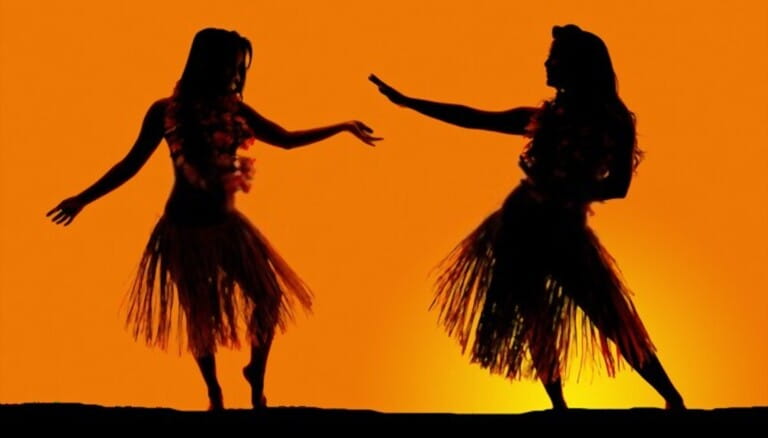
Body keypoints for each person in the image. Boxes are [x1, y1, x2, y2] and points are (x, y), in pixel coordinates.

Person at [47, 27, 382, 410]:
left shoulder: (234, 111)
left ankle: (256, 374)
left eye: (240, 69)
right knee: (199, 312)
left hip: (228, 228)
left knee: (267, 297)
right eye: (232, 67)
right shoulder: (165, 111)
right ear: (208, 65)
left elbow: (285, 138)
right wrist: (83, 199)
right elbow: (130, 164)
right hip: (182, 230)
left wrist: (340, 127)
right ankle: (214, 393)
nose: (236, 76)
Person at [369, 24, 684, 410]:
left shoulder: (613, 122)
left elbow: (619, 186)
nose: (546, 64)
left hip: (565, 230)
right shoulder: (547, 116)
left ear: (576, 66)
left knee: (610, 313)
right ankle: (558, 405)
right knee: (535, 314)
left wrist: (571, 189)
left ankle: (673, 399)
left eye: (554, 58)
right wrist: (410, 102)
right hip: (519, 226)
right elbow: (475, 118)